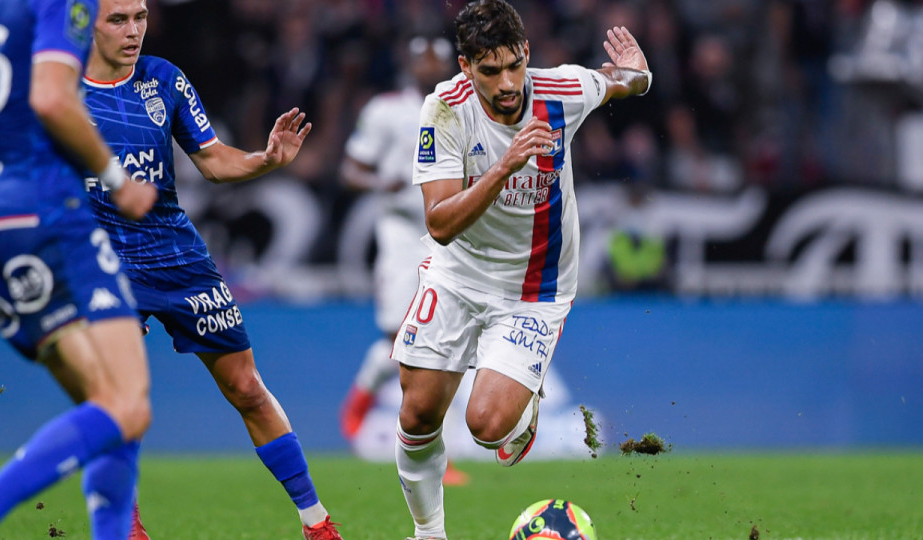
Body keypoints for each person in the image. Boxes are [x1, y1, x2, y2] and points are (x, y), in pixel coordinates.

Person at [390, 1, 652, 538]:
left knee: (486, 427)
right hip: (457, 273)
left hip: (536, 288)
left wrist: (641, 73)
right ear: (466, 66)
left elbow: (624, 82)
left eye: (514, 65)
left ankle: (521, 413)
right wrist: (505, 166)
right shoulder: (444, 109)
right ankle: (429, 534)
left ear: (527, 52)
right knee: (417, 416)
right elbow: (439, 223)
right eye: (490, 71)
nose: (507, 83)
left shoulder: (563, 92)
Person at [80, 1, 341, 539]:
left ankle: (317, 524)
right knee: (117, 398)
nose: (134, 31)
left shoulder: (163, 79)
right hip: (104, 261)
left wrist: (265, 160)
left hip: (177, 254)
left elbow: (213, 158)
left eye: (140, 17)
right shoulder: (58, 93)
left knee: (246, 387)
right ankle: (125, 527)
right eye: (118, 20)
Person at [0, 0, 158, 538]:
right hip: (46, 210)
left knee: (104, 411)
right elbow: (50, 98)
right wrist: (117, 180)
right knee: (128, 406)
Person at [338, 34, 468, 487]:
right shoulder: (386, 110)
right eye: (421, 59)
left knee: (444, 343)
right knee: (399, 338)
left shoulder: (465, 107)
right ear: (408, 63)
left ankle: (441, 457)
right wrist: (379, 183)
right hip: (399, 233)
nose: (428, 66)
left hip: (449, 235)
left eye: (436, 59)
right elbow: (351, 168)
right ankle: (361, 397)